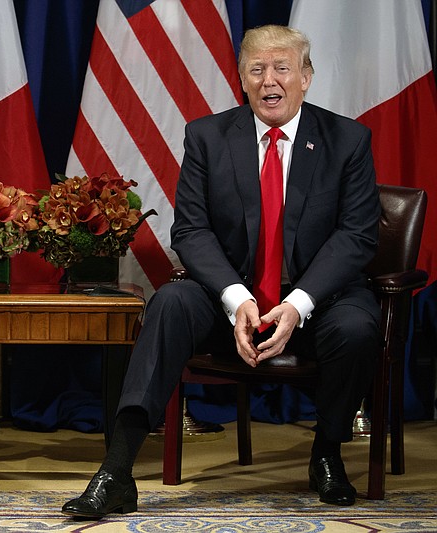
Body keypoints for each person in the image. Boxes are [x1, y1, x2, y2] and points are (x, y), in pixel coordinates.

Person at [62, 25, 381, 518]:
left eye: (281, 68)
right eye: (257, 70)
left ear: (306, 77)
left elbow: (357, 235)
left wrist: (296, 306)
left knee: (359, 326)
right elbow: (190, 231)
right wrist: (238, 299)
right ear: (242, 78)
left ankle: (327, 452)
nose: (269, 80)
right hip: (233, 303)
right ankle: (117, 469)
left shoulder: (347, 140)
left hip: (317, 305)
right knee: (169, 302)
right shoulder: (207, 137)